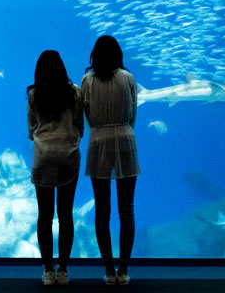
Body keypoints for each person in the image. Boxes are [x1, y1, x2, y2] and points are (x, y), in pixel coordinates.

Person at [81, 35, 139, 286]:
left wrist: (100, 130)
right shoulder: (128, 78)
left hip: (99, 140)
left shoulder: (87, 80)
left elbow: (87, 114)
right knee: (126, 210)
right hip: (126, 137)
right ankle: (123, 270)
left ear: (95, 55)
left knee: (102, 211)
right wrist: (124, 129)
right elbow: (133, 112)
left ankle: (108, 270)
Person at [27, 50, 84, 286]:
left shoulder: (34, 95)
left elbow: (31, 130)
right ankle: (63, 270)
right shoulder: (75, 93)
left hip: (42, 157)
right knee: (66, 215)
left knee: (44, 216)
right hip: (67, 156)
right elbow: (80, 125)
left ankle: (48, 271)